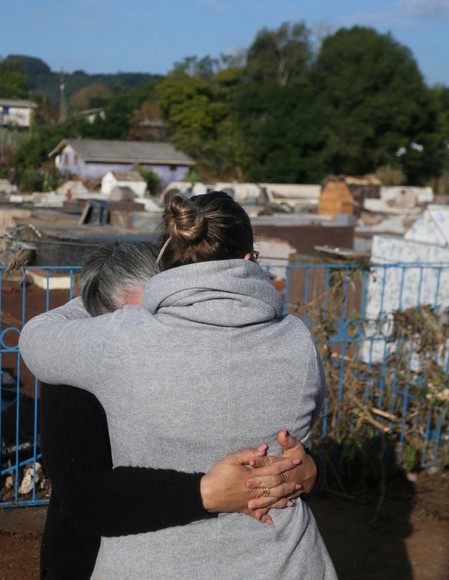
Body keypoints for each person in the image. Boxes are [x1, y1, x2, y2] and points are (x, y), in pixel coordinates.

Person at [21, 192, 336, 578]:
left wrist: (94, 295)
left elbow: (35, 338)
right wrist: (309, 470)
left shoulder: (113, 339)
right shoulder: (297, 338)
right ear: (250, 259)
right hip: (286, 563)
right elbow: (296, 436)